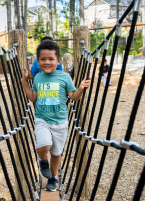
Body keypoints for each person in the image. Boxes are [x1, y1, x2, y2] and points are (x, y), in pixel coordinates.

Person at [21, 40, 90, 191]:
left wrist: (81, 88)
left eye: (51, 59)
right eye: (43, 59)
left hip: (60, 122)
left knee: (57, 152)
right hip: (42, 119)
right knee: (44, 144)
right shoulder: (38, 77)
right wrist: (25, 82)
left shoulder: (65, 77)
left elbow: (73, 96)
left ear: (58, 61)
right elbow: (33, 98)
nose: (47, 62)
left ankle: (53, 178)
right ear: (37, 61)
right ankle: (43, 160)